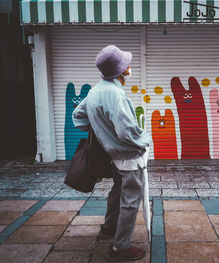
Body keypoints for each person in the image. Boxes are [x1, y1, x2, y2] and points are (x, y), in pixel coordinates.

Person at [72, 45, 151, 262]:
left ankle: (109, 228)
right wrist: (145, 141)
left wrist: (101, 131)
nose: (129, 66)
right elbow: (127, 131)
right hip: (127, 155)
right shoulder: (116, 94)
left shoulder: (95, 90)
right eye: (126, 64)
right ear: (120, 70)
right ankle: (120, 247)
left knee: (117, 191)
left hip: (112, 155)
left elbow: (78, 116)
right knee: (131, 199)